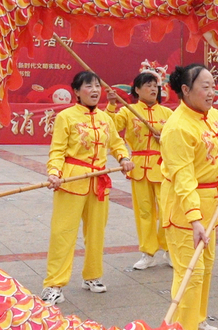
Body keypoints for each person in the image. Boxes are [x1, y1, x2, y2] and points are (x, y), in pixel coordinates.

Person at [160, 64, 218, 330]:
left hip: (212, 201)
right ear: (186, 90)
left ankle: (196, 321)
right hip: (185, 207)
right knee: (191, 270)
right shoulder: (178, 128)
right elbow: (183, 179)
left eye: (214, 85)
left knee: (206, 265)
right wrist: (194, 221)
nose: (212, 92)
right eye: (206, 86)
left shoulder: (209, 114)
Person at [42, 71, 135, 306]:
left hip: (99, 181)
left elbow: (115, 143)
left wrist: (123, 159)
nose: (94, 91)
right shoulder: (66, 117)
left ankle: (92, 276)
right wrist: (54, 173)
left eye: (97, 86)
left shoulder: (105, 118)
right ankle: (54, 284)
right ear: (76, 91)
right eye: (88, 86)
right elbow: (57, 150)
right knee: (62, 233)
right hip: (72, 181)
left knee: (96, 232)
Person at [109, 72, 173, 271]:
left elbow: (177, 139)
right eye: (148, 85)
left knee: (167, 210)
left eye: (155, 85)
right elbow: (110, 128)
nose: (153, 89)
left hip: (162, 166)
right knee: (144, 213)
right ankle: (148, 252)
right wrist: (111, 105)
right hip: (139, 167)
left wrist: (163, 137)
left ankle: (170, 249)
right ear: (137, 90)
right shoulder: (128, 111)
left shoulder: (168, 114)